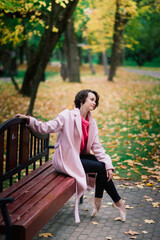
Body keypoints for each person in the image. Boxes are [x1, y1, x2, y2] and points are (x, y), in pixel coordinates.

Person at [15, 89, 126, 223]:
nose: (94, 103)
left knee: (104, 166)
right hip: (66, 160)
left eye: (95, 101)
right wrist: (29, 120)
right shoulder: (66, 116)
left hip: (78, 158)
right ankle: (116, 202)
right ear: (81, 100)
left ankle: (101, 200)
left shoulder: (91, 123)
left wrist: (109, 164)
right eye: (91, 99)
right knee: (101, 167)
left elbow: (97, 147)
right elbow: (46, 127)